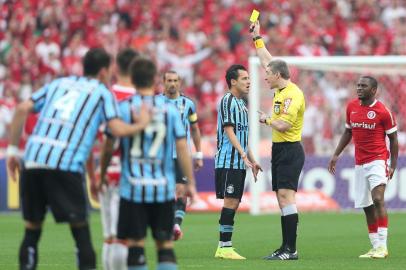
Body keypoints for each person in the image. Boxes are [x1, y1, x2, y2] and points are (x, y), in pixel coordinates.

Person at [6, 48, 151, 270]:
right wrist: (141, 124)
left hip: (33, 160)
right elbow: (116, 130)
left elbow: (22, 108)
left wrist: (13, 151)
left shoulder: (58, 83)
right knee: (81, 233)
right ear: (104, 71)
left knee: (32, 231)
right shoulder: (103, 93)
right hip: (65, 164)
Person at [99, 57, 198, 270]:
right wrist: (190, 182)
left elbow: (108, 146)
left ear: (132, 80)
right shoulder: (169, 111)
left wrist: (101, 174)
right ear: (156, 80)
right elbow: (182, 147)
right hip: (161, 190)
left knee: (135, 244)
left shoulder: (123, 108)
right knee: (164, 244)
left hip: (132, 189)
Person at [250, 20, 305, 260]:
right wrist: (257, 38)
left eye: (269, 75)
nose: (265, 77)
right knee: (281, 198)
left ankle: (291, 249)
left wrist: (266, 120)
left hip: (291, 149)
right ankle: (285, 247)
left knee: (286, 197)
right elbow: (265, 60)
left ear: (279, 76)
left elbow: (285, 124)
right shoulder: (281, 90)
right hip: (279, 149)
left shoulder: (293, 94)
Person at [328, 76, 398, 259]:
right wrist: (336, 154)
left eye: (363, 86)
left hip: (378, 160)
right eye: (358, 85)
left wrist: (393, 165)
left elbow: (393, 138)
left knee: (377, 199)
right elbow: (348, 132)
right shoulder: (351, 107)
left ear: (373, 90)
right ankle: (375, 246)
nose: (359, 88)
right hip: (359, 162)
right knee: (366, 205)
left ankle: (383, 246)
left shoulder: (383, 112)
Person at [96, 48, 139, 270]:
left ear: (116, 67)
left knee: (109, 236)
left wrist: (98, 173)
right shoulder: (141, 98)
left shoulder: (105, 94)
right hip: (130, 173)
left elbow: (99, 138)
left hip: (106, 170)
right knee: (125, 237)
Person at [214, 64, 262, 260]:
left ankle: (224, 246)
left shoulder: (243, 104)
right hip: (228, 160)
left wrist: (252, 159)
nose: (249, 81)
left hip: (239, 161)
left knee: (234, 203)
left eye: (249, 78)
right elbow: (229, 130)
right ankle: (224, 247)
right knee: (230, 201)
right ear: (233, 81)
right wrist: (242, 154)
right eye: (244, 78)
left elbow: (243, 136)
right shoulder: (227, 100)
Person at [162, 70, 203, 241]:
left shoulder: (189, 104)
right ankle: (167, 222)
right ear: (163, 82)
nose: (172, 83)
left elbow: (194, 129)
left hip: (181, 156)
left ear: (180, 82)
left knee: (181, 191)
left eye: (175, 80)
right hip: (161, 155)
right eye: (169, 80)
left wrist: (199, 153)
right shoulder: (155, 103)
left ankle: (176, 224)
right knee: (163, 193)